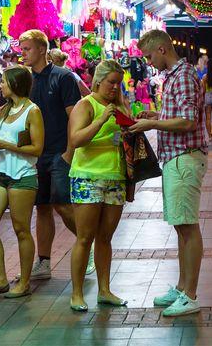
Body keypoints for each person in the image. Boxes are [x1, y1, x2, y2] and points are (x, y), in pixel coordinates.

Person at [129, 30, 207, 317]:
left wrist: (153, 126)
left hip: (184, 157)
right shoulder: (175, 76)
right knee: (180, 225)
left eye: (149, 56)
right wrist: (156, 117)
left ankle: (191, 293)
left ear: (162, 49)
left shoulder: (183, 76)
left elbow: (187, 121)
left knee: (187, 225)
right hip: (176, 157)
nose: (149, 63)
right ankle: (181, 286)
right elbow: (178, 116)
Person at [17, 29, 91, 280]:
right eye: (21, 48)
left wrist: (69, 152)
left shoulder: (63, 78)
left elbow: (75, 117)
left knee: (62, 203)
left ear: (41, 49)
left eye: (26, 49)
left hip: (59, 152)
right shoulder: (24, 80)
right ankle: (44, 262)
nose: (22, 53)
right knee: (42, 207)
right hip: (35, 154)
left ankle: (86, 244)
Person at [67, 60, 129, 312]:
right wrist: (102, 119)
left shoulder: (119, 105)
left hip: (115, 176)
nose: (115, 88)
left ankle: (105, 290)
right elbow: (76, 140)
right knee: (84, 237)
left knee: (105, 237)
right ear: (98, 81)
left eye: (118, 83)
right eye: (111, 82)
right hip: (87, 177)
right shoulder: (86, 105)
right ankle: (77, 293)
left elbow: (120, 135)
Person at [0, 66, 45, 298]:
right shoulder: (4, 110)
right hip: (1, 173)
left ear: (15, 84)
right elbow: (3, 139)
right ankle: (0, 278)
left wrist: (5, 145)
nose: (1, 85)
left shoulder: (32, 111)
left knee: (21, 229)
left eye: (4, 81)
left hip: (23, 175)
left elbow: (37, 148)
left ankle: (24, 282)